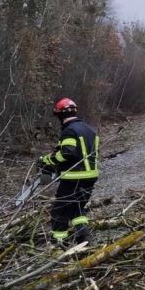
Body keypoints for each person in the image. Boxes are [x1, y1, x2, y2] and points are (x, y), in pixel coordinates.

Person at [38, 97, 100, 247]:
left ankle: (59, 244)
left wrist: (48, 160)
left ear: (60, 114)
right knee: (78, 208)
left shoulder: (69, 130)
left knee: (60, 210)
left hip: (74, 178)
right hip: (90, 176)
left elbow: (67, 153)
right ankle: (84, 239)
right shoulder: (89, 129)